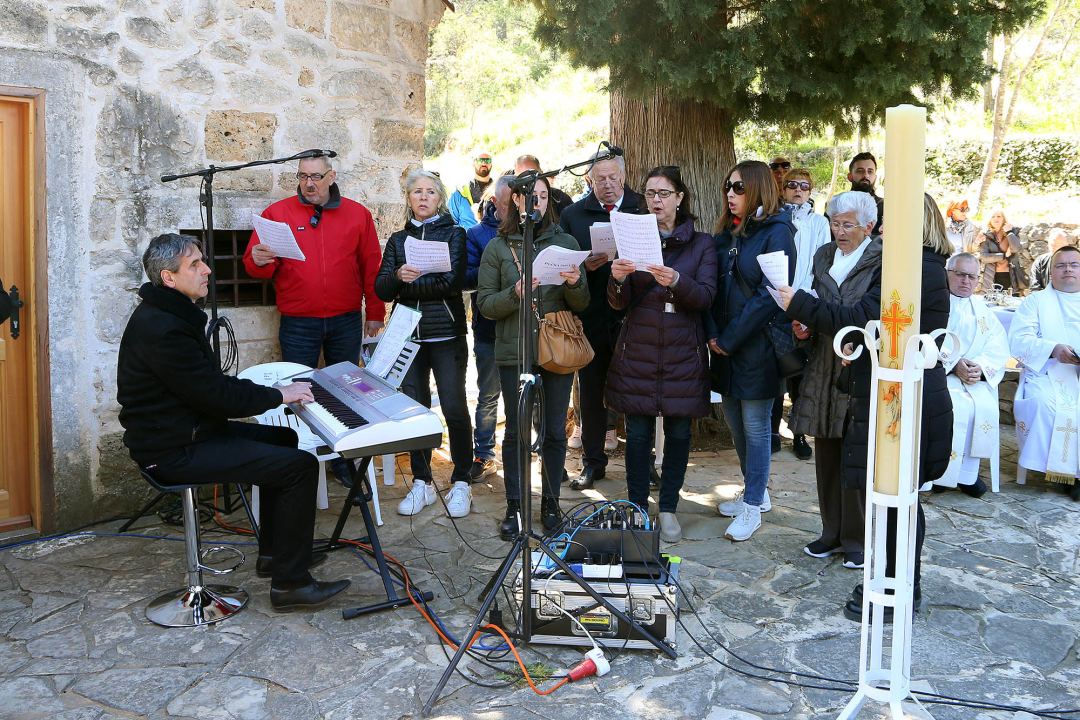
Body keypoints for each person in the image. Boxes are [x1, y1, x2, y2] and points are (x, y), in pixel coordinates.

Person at [119, 234, 350, 612]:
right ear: (169, 278)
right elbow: (216, 397)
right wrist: (280, 395)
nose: (207, 269)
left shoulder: (171, 314)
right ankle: (291, 586)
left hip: (189, 431)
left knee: (285, 440)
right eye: (194, 264)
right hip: (172, 450)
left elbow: (209, 388)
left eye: (202, 260)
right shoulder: (165, 328)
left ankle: (276, 557)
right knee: (301, 466)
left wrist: (276, 389)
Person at [781, 192, 954, 620]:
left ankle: (898, 585)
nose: (881, 228)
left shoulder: (919, 269)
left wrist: (799, 303)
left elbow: (865, 316)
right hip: (886, 385)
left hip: (904, 391)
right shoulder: (910, 265)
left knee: (899, 494)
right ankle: (889, 576)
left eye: (891, 219)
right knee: (889, 491)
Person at [243, 152, 386, 488]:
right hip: (298, 321)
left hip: (347, 318)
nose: (308, 183)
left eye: (316, 177)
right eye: (303, 176)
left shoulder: (357, 214)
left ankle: (344, 461)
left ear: (331, 176)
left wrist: (376, 312)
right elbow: (254, 266)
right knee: (296, 392)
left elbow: (372, 266)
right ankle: (300, 461)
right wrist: (259, 259)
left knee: (348, 392)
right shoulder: (277, 214)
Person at [606, 167, 717, 543]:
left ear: (680, 197)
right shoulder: (633, 236)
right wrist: (617, 278)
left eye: (664, 193)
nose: (656, 200)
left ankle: (669, 507)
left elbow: (705, 297)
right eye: (650, 193)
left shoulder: (702, 244)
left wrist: (678, 282)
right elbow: (617, 303)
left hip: (683, 348)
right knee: (636, 435)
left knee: (679, 431)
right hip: (638, 344)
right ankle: (638, 506)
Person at [476, 175, 589, 537]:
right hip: (515, 352)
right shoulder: (498, 246)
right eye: (530, 196)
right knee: (517, 433)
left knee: (556, 430)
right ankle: (516, 506)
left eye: (542, 196)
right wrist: (516, 293)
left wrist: (575, 283)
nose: (536, 202)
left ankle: (551, 505)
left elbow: (582, 304)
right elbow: (485, 306)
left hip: (556, 350)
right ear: (516, 203)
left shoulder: (566, 242)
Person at [786, 191, 882, 570]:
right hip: (824, 363)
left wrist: (812, 311)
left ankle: (857, 539)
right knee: (825, 447)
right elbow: (815, 300)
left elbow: (864, 315)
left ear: (869, 227)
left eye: (847, 224)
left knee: (855, 454)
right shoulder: (824, 254)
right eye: (834, 223)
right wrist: (803, 328)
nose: (838, 231)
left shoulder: (882, 260)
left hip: (859, 365)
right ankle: (831, 531)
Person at [706, 160, 796, 542]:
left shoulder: (778, 232)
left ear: (758, 189)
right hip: (724, 343)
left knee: (756, 427)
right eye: (728, 185)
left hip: (756, 345)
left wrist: (729, 339)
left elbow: (769, 295)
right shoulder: (726, 233)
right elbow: (709, 286)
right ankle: (752, 491)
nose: (730, 193)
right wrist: (713, 334)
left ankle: (754, 503)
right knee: (732, 420)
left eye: (739, 187)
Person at [375, 170, 474, 518]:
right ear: (408, 198)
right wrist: (397, 278)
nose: (422, 197)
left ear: (439, 199)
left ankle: (462, 481)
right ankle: (423, 483)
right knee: (415, 411)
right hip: (409, 337)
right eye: (416, 191)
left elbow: (451, 284)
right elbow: (381, 289)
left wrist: (405, 287)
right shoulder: (398, 240)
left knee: (453, 407)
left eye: (430, 192)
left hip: (446, 335)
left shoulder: (455, 234)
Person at [560, 152, 644, 489]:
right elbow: (565, 264)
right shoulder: (573, 214)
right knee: (592, 393)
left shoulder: (642, 206)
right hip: (592, 316)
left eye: (613, 178)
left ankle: (643, 464)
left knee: (638, 395)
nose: (607, 185)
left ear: (623, 178)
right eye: (600, 179)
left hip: (637, 316)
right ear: (588, 181)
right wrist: (585, 267)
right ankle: (593, 462)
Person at [934, 252, 1009, 497]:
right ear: (948, 274)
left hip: (974, 378)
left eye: (972, 276)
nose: (966, 281)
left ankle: (967, 475)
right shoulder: (935, 303)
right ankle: (938, 474)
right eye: (961, 274)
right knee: (953, 407)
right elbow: (929, 339)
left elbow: (998, 345)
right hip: (940, 375)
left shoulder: (982, 309)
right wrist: (954, 363)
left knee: (978, 408)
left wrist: (980, 367)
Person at [1010, 244, 1080, 501]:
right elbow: (1018, 341)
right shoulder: (1035, 302)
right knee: (1049, 404)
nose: (1068, 269)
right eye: (1061, 265)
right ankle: (1065, 474)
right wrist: (1053, 349)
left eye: (1074, 264)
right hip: (1048, 372)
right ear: (1051, 271)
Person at [773, 167, 832, 461]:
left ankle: (797, 433)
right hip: (774, 298)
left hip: (804, 299)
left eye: (804, 186)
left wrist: (805, 297)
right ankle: (771, 430)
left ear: (811, 191)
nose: (798, 190)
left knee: (799, 369)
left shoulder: (820, 223)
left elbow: (820, 261)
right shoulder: (776, 217)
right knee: (774, 365)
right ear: (783, 189)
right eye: (792, 185)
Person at [464, 176, 515, 481]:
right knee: (488, 395)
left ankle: (533, 450)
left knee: (529, 394)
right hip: (489, 329)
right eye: (508, 204)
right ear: (495, 202)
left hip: (526, 327)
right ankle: (484, 455)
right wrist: (493, 266)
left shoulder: (534, 231)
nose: (515, 210)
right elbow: (466, 279)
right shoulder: (477, 235)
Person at [831, 152, 884, 235]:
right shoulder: (836, 204)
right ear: (850, 176)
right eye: (860, 171)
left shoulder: (883, 206)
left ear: (875, 177)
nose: (865, 175)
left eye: (870, 172)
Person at [978, 209, 1025, 293]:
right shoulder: (985, 234)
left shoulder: (1013, 231)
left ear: (1003, 219)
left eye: (999, 216)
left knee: (1010, 302)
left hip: (1011, 275)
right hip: (992, 275)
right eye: (993, 217)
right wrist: (1004, 255)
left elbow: (1017, 249)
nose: (996, 219)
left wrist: (1009, 232)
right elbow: (984, 257)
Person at [448, 151, 495, 228]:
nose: (483, 163)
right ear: (473, 163)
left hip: (492, 238)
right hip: (466, 238)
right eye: (480, 160)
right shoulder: (459, 192)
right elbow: (450, 222)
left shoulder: (498, 190)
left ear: (491, 164)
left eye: (487, 160)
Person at [1029, 228, 1072, 293]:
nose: (1053, 247)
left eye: (1056, 244)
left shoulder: (1076, 262)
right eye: (1051, 245)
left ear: (1066, 245)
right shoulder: (1040, 261)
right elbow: (1034, 286)